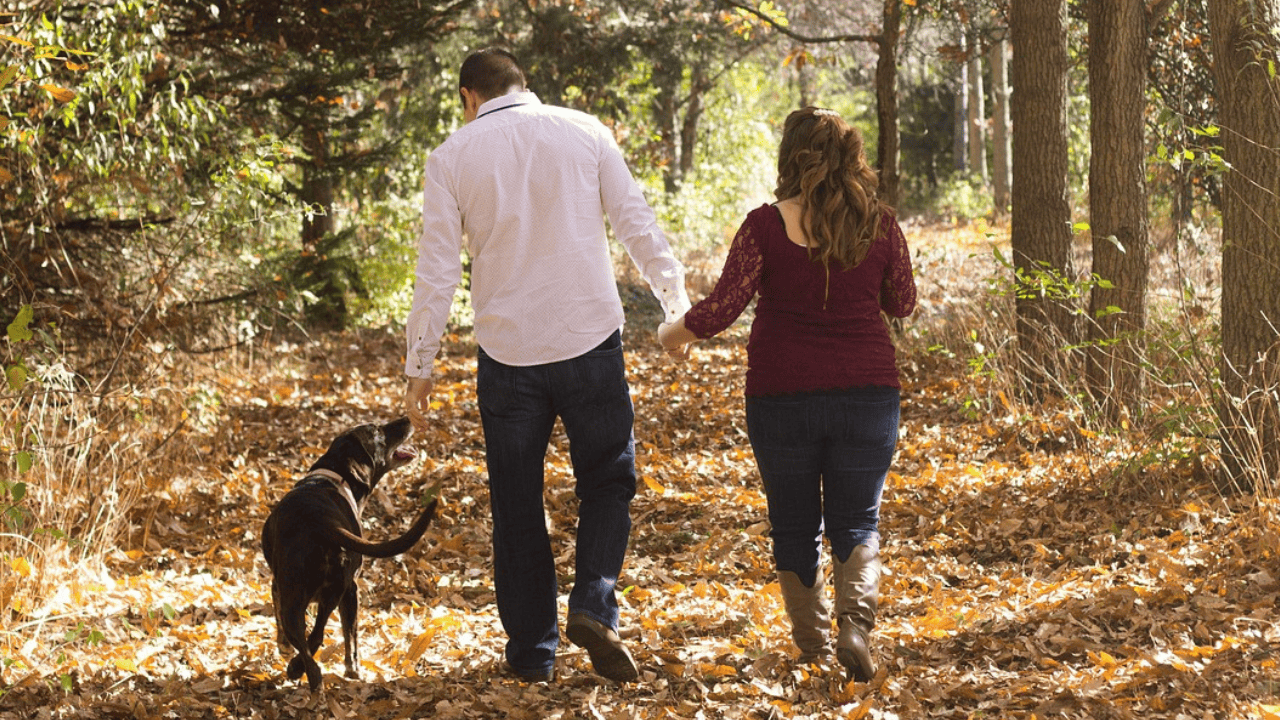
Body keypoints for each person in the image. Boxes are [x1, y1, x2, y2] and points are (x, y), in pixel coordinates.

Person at [402, 48, 690, 684]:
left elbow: (438, 269)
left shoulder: (450, 157)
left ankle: (534, 656)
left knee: (516, 504)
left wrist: (419, 361)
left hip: (508, 358)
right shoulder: (585, 131)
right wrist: (677, 305)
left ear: (466, 96)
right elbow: (636, 224)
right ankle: (593, 602)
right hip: (589, 341)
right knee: (609, 481)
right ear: (522, 85)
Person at [658, 107, 916, 682]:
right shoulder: (880, 223)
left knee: (794, 523)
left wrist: (671, 333)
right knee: (858, 521)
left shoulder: (765, 225)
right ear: (851, 156)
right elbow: (903, 303)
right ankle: (855, 625)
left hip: (782, 397)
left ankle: (812, 645)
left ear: (789, 156)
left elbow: (724, 307)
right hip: (868, 395)